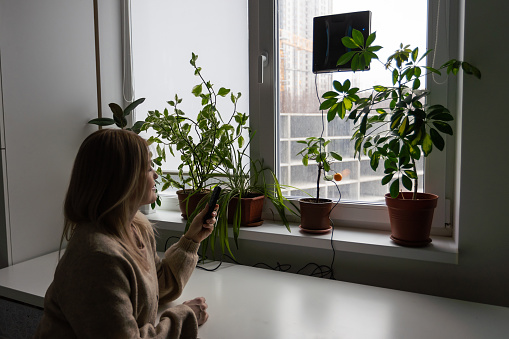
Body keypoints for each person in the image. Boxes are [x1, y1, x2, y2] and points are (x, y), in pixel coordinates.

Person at [34, 129, 217, 338]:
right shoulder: (98, 257)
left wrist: (192, 239)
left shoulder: (135, 228)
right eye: (148, 168)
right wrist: (184, 316)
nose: (156, 174)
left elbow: (158, 285)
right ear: (122, 180)